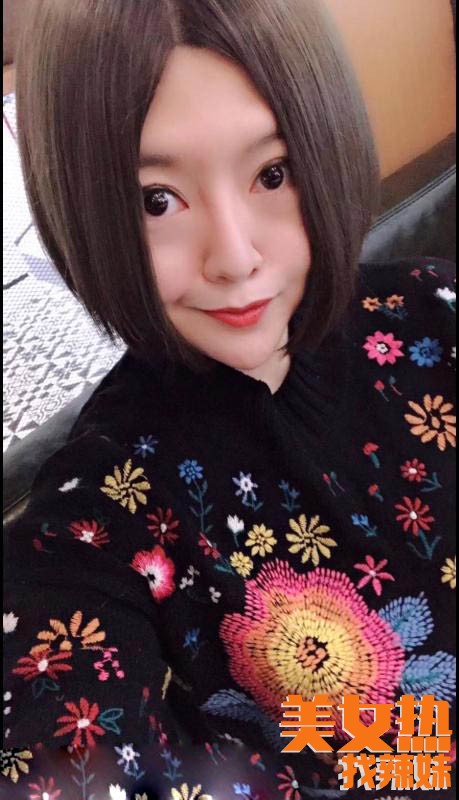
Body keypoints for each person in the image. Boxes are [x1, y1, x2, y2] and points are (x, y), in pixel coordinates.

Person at [2, 0, 456, 797]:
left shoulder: (437, 314)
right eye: (156, 200)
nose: (235, 258)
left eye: (271, 173)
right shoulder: (101, 509)